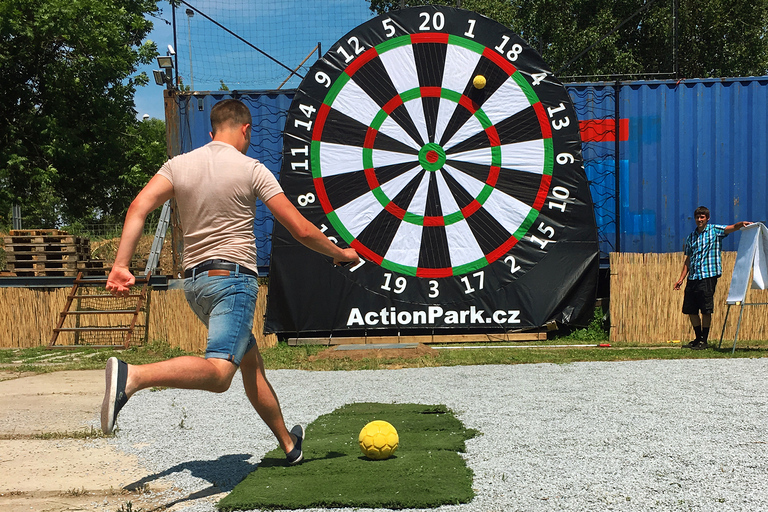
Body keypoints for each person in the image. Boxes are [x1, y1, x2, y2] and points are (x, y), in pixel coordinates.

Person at [101, 99, 359, 465]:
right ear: (246, 129)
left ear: (211, 132)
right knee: (221, 373)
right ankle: (134, 376)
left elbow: (138, 207)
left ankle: (289, 444)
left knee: (250, 363)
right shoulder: (251, 168)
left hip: (195, 286)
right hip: (232, 281)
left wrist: (121, 265)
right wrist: (340, 253)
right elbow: (300, 228)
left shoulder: (178, 165)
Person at [673, 206, 751, 350]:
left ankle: (704, 340)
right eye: (697, 217)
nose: (699, 219)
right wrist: (681, 278)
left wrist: (740, 225)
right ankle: (697, 338)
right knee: (690, 309)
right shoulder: (691, 237)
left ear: (707, 218)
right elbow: (688, 259)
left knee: (706, 309)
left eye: (702, 217)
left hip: (708, 275)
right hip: (693, 276)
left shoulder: (714, 230)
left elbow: (731, 227)